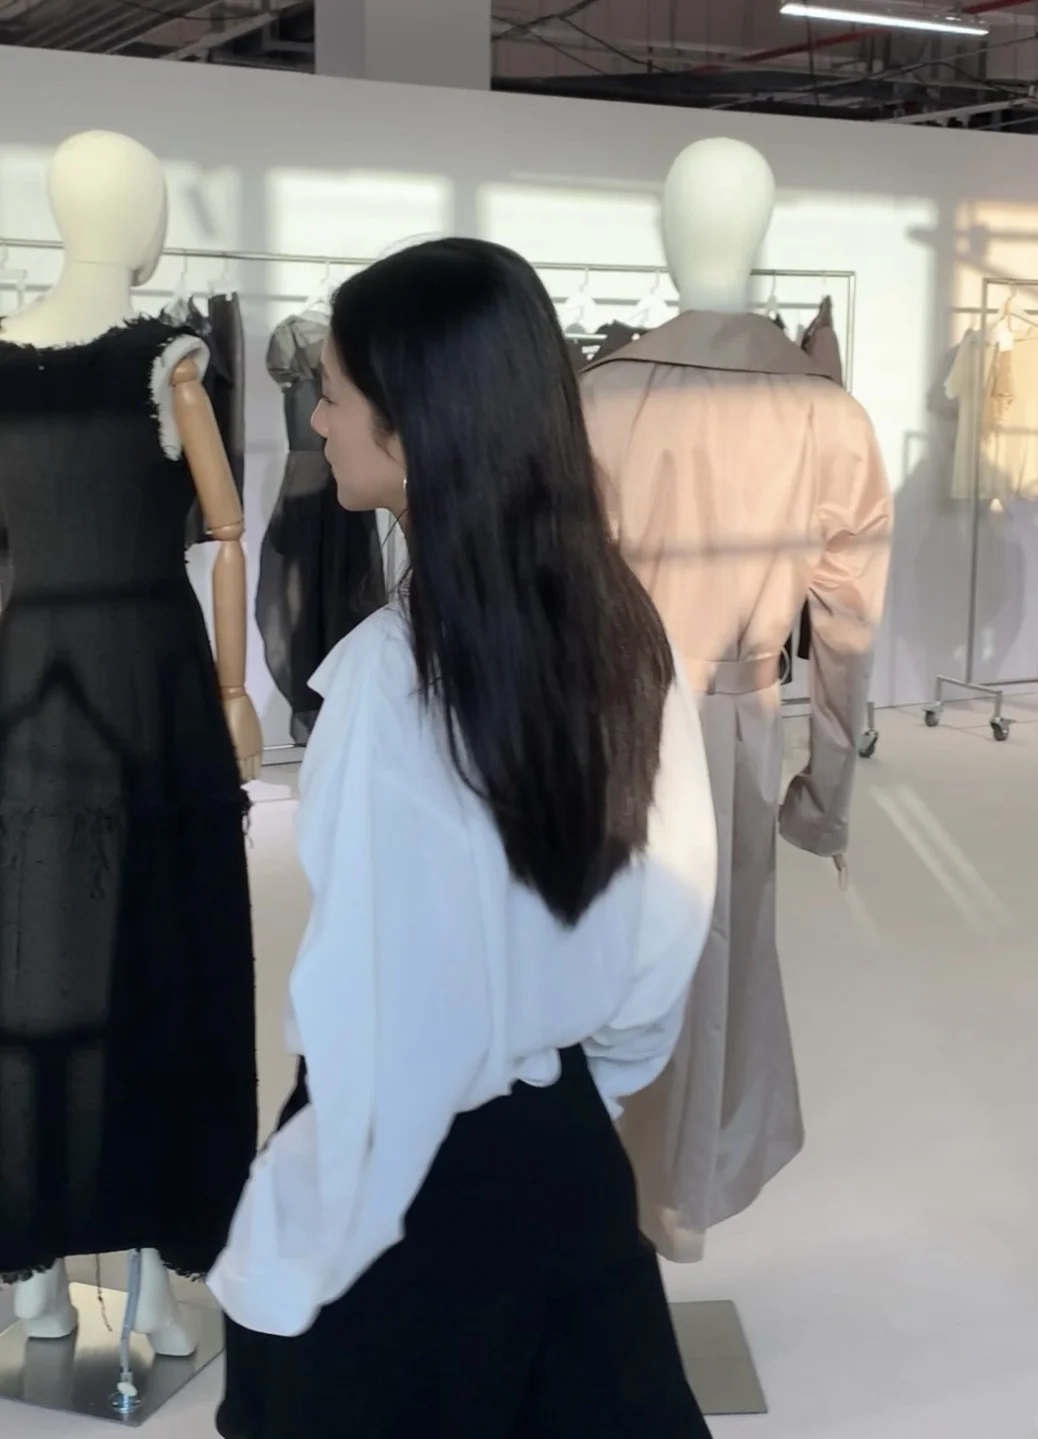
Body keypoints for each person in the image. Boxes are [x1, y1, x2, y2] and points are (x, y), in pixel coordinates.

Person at [208, 238, 718, 1438]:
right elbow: (668, 919)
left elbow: (359, 994)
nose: (317, 421)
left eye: (334, 394)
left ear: (417, 426)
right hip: (559, 1155)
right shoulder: (625, 634)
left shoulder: (386, 681)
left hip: (398, 1176)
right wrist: (564, 1094)